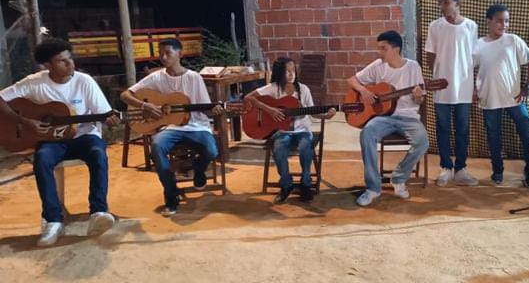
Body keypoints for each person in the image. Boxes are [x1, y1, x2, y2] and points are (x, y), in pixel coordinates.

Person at [0, 39, 119, 247]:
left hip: (84, 137)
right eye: (62, 61)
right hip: (51, 140)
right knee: (42, 159)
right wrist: (25, 121)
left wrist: (110, 119)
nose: (70, 64)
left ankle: (98, 212)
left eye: (70, 58)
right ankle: (53, 220)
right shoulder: (34, 82)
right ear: (47, 65)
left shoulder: (84, 81)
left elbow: (104, 113)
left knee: (98, 153)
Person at [120, 38, 222, 216]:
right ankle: (171, 195)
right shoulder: (156, 77)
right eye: (161, 53)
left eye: (168, 53)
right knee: (157, 147)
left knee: (212, 151)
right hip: (169, 127)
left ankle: (198, 169)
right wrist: (145, 106)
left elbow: (206, 109)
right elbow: (125, 95)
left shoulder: (194, 78)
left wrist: (214, 110)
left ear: (180, 54)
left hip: (196, 125)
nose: (164, 57)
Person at [348, 30, 429, 207]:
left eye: (383, 48)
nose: (380, 52)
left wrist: (418, 97)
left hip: (408, 117)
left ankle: (398, 178)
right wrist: (364, 91)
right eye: (379, 48)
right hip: (384, 117)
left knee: (422, 142)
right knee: (367, 133)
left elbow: (420, 100)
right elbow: (352, 80)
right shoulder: (378, 65)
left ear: (396, 49)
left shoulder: (413, 67)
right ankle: (373, 188)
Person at [244, 57, 335, 204]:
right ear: (280, 72)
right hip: (282, 132)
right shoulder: (273, 88)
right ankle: (286, 185)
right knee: (279, 148)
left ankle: (306, 184)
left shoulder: (303, 89)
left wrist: (326, 116)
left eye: (293, 70)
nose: (292, 74)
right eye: (287, 71)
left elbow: (313, 112)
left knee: (306, 147)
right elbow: (249, 98)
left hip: (303, 131)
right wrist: (270, 110)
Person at [473, 4, 529, 187]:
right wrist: (473, 89)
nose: (504, 25)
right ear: (489, 21)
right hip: (489, 97)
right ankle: (497, 171)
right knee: (493, 136)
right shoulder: (478, 44)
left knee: (527, 134)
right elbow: (470, 68)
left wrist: (528, 86)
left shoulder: (513, 40)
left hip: (514, 97)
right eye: (499, 21)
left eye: (507, 21)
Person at [424, 0, 479, 187]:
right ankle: (446, 167)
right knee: (443, 128)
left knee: (463, 128)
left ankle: (461, 168)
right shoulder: (435, 26)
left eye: (446, 2)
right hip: (442, 87)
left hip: (464, 86)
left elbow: (474, 57)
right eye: (440, 2)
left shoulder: (471, 26)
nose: (442, 6)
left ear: (458, 3)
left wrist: (474, 85)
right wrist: (438, 75)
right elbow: (430, 54)